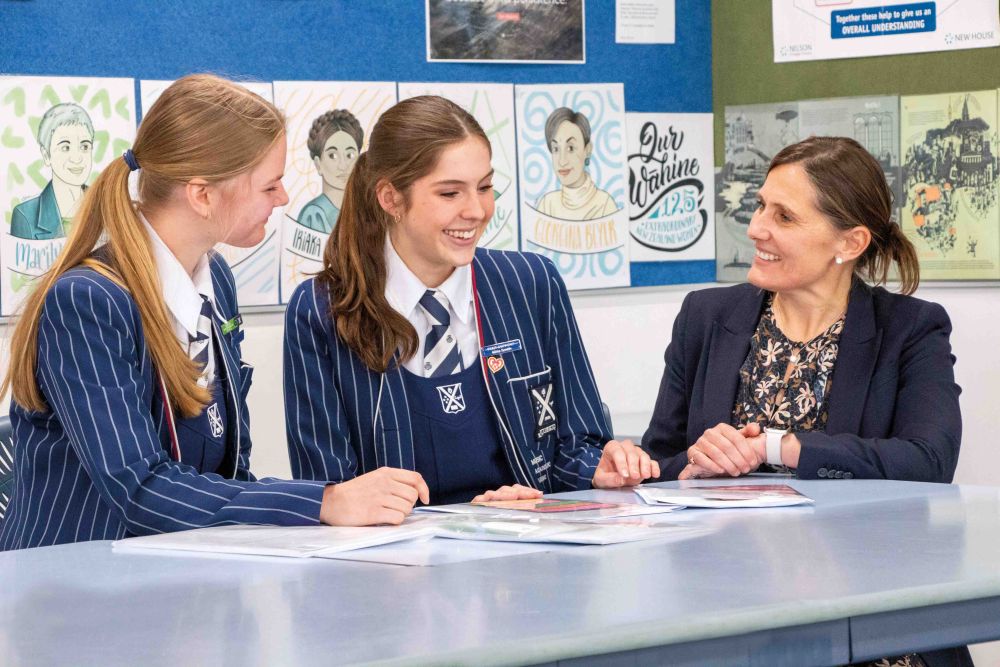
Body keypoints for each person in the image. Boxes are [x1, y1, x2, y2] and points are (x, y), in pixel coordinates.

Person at [0, 74, 428, 552]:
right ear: (202, 194)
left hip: (182, 575)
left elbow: (226, 470)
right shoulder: (87, 302)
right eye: (269, 185)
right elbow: (139, 490)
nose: (283, 198)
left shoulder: (216, 281)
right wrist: (322, 502)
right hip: (74, 586)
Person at [284, 95, 656, 505]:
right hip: (392, 561)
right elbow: (329, 492)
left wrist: (598, 468)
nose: (477, 210)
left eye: (484, 187)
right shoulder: (322, 309)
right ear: (390, 199)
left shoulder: (533, 284)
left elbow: (577, 448)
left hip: (528, 553)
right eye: (450, 193)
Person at [643, 136, 961, 485]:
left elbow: (929, 460)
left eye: (785, 217)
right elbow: (657, 463)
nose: (755, 229)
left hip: (848, 538)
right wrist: (696, 460)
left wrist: (777, 447)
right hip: (719, 537)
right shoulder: (704, 315)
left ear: (850, 242)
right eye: (760, 206)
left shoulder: (911, 329)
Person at [11, 103, 95, 240]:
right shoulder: (25, 215)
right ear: (46, 155)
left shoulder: (106, 208)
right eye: (65, 147)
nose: (77, 158)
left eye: (84, 146)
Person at [534, 107, 617, 221]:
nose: (562, 161)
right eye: (556, 149)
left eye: (571, 148)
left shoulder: (605, 205)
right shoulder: (546, 205)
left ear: (587, 150)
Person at [296, 109, 363, 234]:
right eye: (333, 155)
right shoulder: (313, 215)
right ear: (318, 164)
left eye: (350, 155)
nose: (343, 166)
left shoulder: (365, 211)